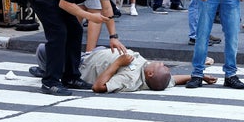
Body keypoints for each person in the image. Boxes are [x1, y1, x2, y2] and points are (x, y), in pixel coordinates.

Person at [26, 0, 125, 96]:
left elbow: (107, 7)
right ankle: (50, 81)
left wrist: (113, 37)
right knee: (59, 32)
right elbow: (65, 4)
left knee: (75, 30)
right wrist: (90, 17)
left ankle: (71, 77)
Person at [30, 43, 217, 92]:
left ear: (150, 73)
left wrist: (117, 63)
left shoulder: (129, 79)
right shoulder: (154, 77)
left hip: (82, 64)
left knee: (43, 49)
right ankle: (46, 70)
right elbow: (174, 80)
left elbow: (99, 87)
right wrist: (198, 77)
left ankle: (46, 70)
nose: (163, 64)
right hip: (98, 52)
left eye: (161, 65)